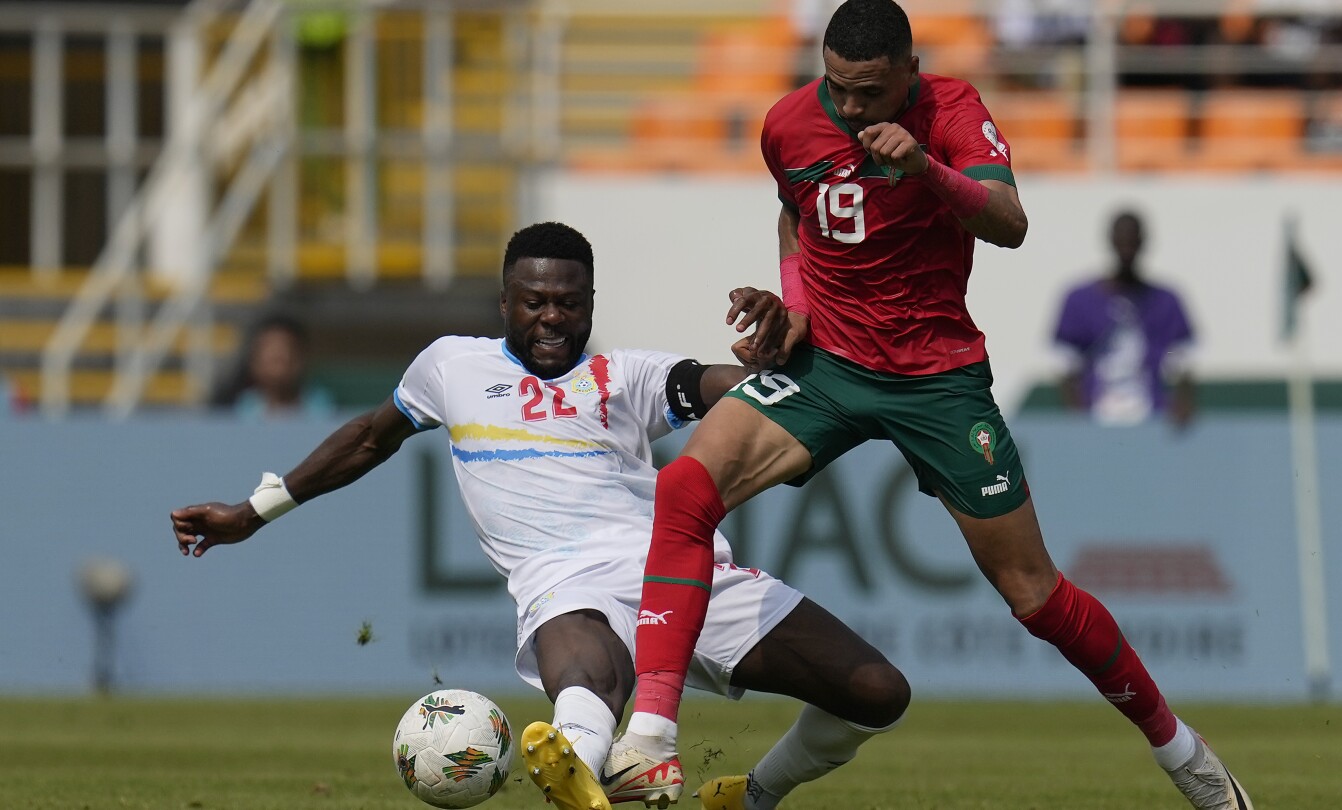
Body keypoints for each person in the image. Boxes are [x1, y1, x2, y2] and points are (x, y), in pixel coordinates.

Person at [614, 3, 1253, 809]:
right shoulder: (786, 123)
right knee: (684, 488)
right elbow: (795, 212)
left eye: (870, 94)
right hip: (832, 367)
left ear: (909, 72)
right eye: (838, 89)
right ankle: (650, 745)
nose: (850, 109)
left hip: (937, 379)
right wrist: (797, 304)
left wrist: (924, 168)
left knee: (1035, 595)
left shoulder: (953, 110)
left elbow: (1011, 224)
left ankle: (1184, 755)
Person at [169, 222, 909, 810]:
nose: (552, 317)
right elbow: (368, 438)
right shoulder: (450, 368)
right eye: (535, 302)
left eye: (570, 302)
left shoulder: (625, 375)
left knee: (878, 693)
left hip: (679, 570)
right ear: (504, 303)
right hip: (564, 580)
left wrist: (771, 361)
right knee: (588, 675)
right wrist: (254, 511)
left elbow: (723, 385)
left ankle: (750, 797)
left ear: (591, 301)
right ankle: (581, 780)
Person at [1053, 209, 1197, 428]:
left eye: (1132, 242)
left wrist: (1181, 405)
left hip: (1153, 417)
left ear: (1143, 243)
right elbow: (1066, 368)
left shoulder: (1166, 301)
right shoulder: (1079, 300)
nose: (1127, 251)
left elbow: (1183, 365)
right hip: (1097, 416)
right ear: (1111, 241)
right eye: (1122, 242)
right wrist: (1080, 420)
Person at [213, 313, 336, 420]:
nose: (279, 359)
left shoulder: (326, 411)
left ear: (302, 360)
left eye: (286, 351)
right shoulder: (234, 413)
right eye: (271, 356)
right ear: (254, 362)